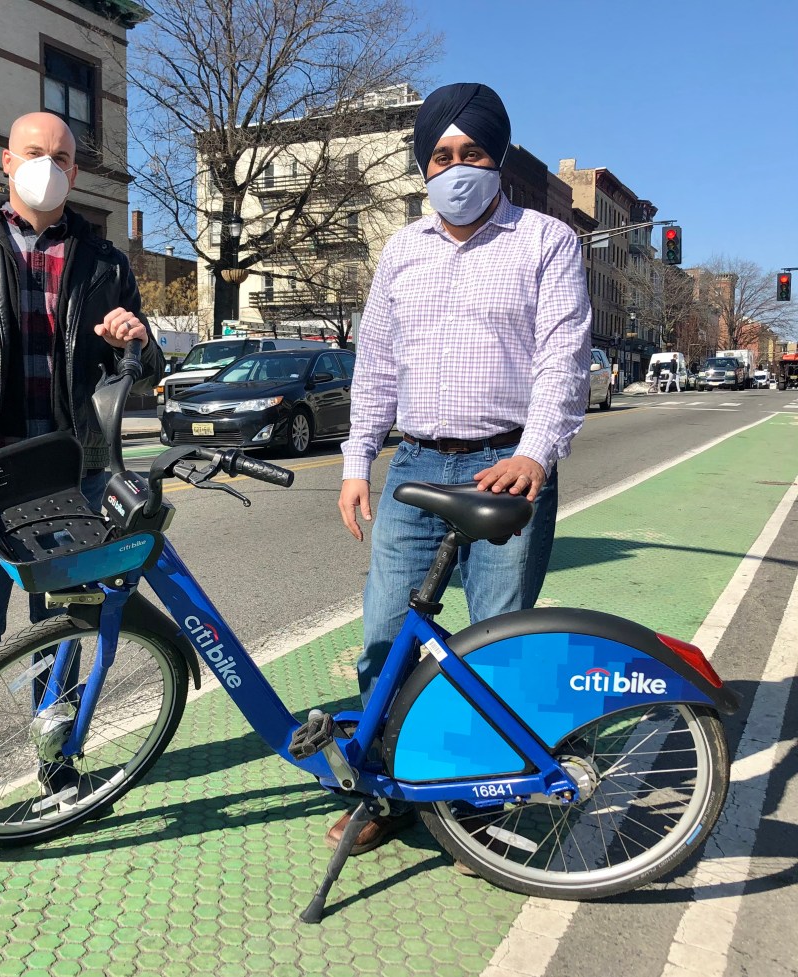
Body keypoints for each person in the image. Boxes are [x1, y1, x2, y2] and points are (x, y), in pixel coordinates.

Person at [0, 112, 164, 873]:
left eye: (63, 157)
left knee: (65, 631)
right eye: (35, 153)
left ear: (76, 172)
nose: (49, 166)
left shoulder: (103, 261)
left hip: (70, 475)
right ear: (7, 161)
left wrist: (136, 340)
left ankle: (58, 767)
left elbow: (144, 373)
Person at [334, 83, 591, 854]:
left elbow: (563, 358)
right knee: (386, 638)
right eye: (441, 156)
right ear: (424, 166)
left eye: (472, 153)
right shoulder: (401, 251)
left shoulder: (546, 241)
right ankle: (385, 789)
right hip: (415, 464)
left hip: (504, 466)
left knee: (494, 642)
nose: (456, 168)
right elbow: (377, 365)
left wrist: (534, 451)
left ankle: (479, 804)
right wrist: (356, 460)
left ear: (498, 158)